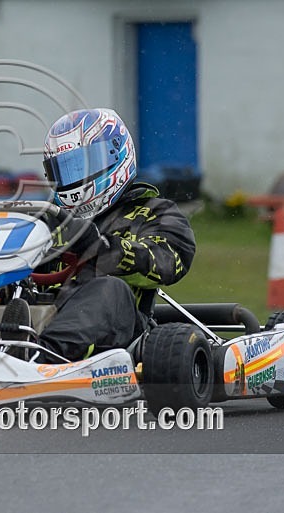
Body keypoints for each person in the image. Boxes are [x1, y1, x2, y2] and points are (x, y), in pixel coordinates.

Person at [26, 107, 196, 363]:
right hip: (40, 314)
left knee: (109, 288)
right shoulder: (46, 221)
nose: (77, 178)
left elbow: (167, 263)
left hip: (118, 332)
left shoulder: (155, 213)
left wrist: (100, 247)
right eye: (67, 170)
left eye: (85, 164)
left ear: (117, 153)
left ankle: (43, 359)